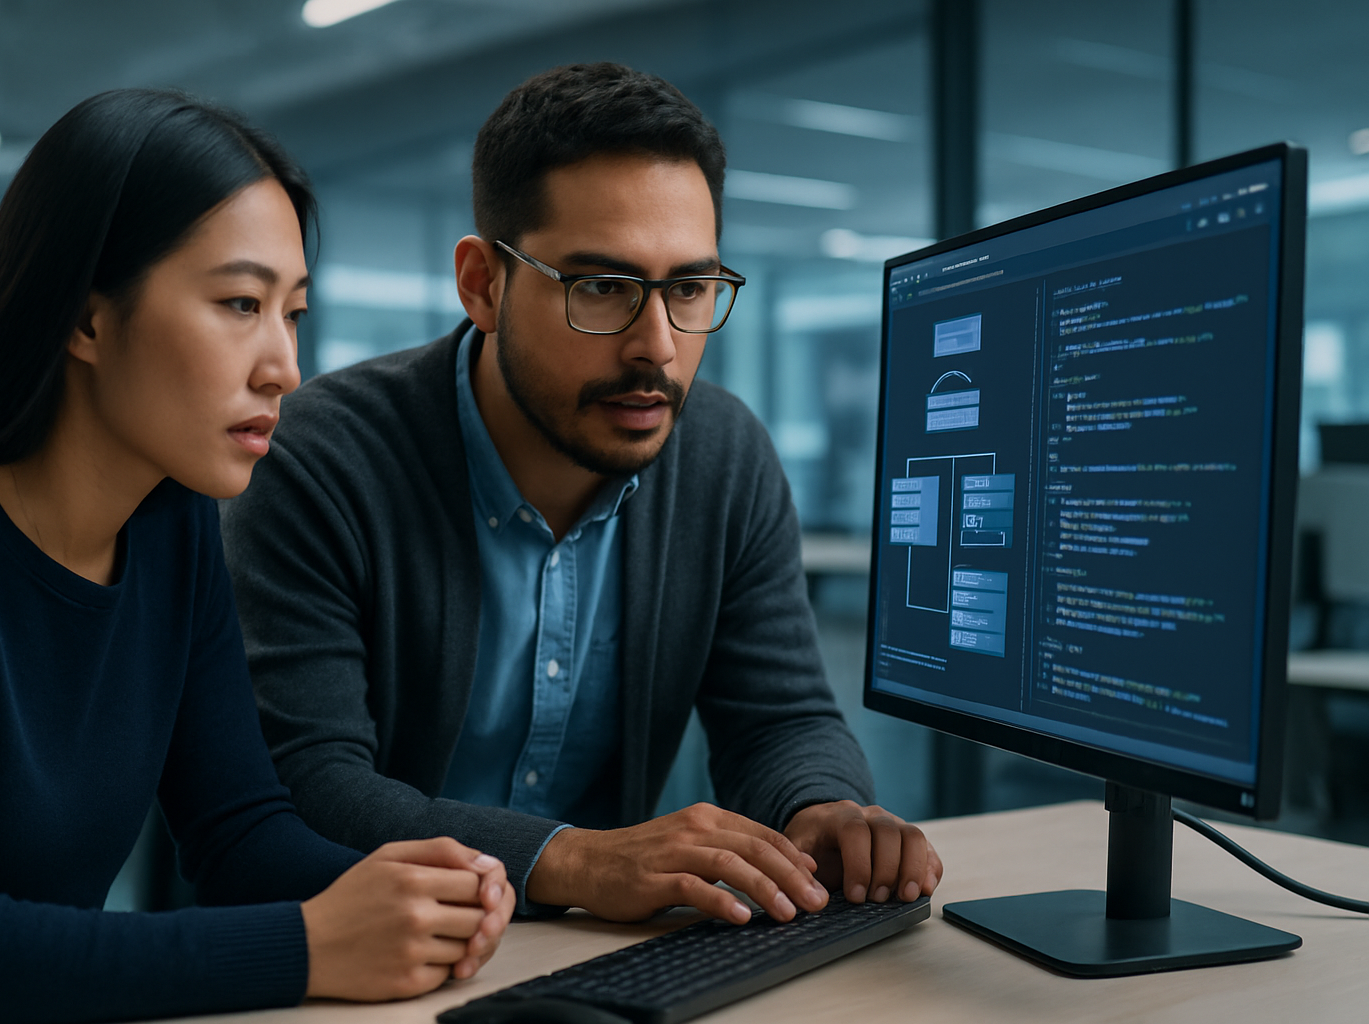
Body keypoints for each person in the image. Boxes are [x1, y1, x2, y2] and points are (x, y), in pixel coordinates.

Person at [0, 89, 515, 1024]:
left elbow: (240, 834)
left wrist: (416, 894)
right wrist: (311, 945)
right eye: (240, 303)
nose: (283, 367)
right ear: (84, 319)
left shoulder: (171, 526)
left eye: (293, 312)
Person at [221, 62, 943, 926]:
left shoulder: (723, 454)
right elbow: (308, 788)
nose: (658, 348)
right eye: (602, 288)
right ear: (483, 284)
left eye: (688, 289)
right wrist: (574, 858)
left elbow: (779, 719)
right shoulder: (321, 459)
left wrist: (820, 806)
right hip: (362, 958)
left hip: (594, 959)